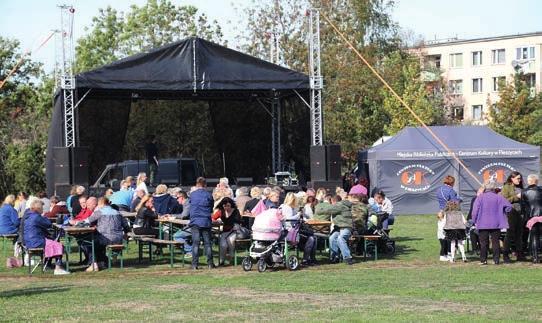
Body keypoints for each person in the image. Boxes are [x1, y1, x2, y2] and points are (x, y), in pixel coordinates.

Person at [22, 199, 69, 275]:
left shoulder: (28, 216)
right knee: (59, 245)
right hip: (36, 242)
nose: (43, 209)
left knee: (52, 242)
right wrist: (44, 216)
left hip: (29, 242)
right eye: (42, 208)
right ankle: (58, 268)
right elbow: (48, 224)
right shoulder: (36, 217)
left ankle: (48, 264)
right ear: (39, 209)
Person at [83, 197, 130, 272]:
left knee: (88, 242)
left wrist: (75, 223)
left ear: (101, 203)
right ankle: (101, 262)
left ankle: (93, 264)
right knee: (97, 242)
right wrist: (126, 235)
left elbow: (86, 221)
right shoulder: (118, 212)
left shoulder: (99, 212)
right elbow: (127, 227)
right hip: (118, 239)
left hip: (104, 238)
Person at [471, 181, 512, 265]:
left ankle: (483, 260)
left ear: (485, 188)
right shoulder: (499, 197)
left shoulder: (480, 197)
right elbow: (509, 207)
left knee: (483, 243)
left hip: (482, 223)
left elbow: (474, 211)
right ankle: (496, 260)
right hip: (496, 223)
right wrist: (504, 211)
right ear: (494, 188)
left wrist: (474, 220)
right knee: (495, 242)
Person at [314, 195, 355, 265]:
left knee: (340, 238)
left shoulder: (339, 206)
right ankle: (335, 257)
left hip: (346, 228)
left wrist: (318, 206)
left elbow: (325, 210)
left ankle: (348, 257)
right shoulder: (341, 205)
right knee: (332, 238)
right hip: (339, 228)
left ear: (333, 201)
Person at [281, 192, 316, 266]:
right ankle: (306, 259)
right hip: (291, 233)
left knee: (313, 237)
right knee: (312, 238)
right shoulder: (288, 207)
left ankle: (310, 259)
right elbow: (288, 218)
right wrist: (298, 215)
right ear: (293, 200)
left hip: (288, 231)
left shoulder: (283, 206)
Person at [189, 177, 214, 270]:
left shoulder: (192, 195)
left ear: (196, 184)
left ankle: (194, 264)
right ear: (205, 185)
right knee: (207, 243)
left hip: (195, 221)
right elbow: (211, 207)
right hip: (205, 220)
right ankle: (210, 264)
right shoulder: (208, 195)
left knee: (195, 243)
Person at [500, 171, 525, 262]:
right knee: (509, 234)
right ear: (512, 178)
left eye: (520, 178)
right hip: (511, 213)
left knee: (519, 234)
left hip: (521, 213)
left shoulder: (521, 187)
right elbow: (503, 201)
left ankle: (519, 254)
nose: (520, 180)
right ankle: (505, 255)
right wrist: (516, 197)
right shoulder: (506, 187)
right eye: (518, 178)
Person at [211, 197, 241, 266]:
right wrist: (215, 221)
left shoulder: (235, 211)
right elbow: (212, 218)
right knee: (223, 245)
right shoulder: (221, 211)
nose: (226, 208)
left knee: (231, 241)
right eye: (224, 206)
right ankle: (221, 260)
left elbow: (239, 221)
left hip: (234, 231)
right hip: (224, 231)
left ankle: (230, 258)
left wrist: (235, 225)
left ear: (231, 205)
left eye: (228, 206)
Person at [521, 174, 542, 263]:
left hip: (531, 216)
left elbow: (523, 206)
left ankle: (535, 257)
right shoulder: (541, 190)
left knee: (534, 237)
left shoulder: (524, 192)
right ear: (536, 181)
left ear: (529, 181)